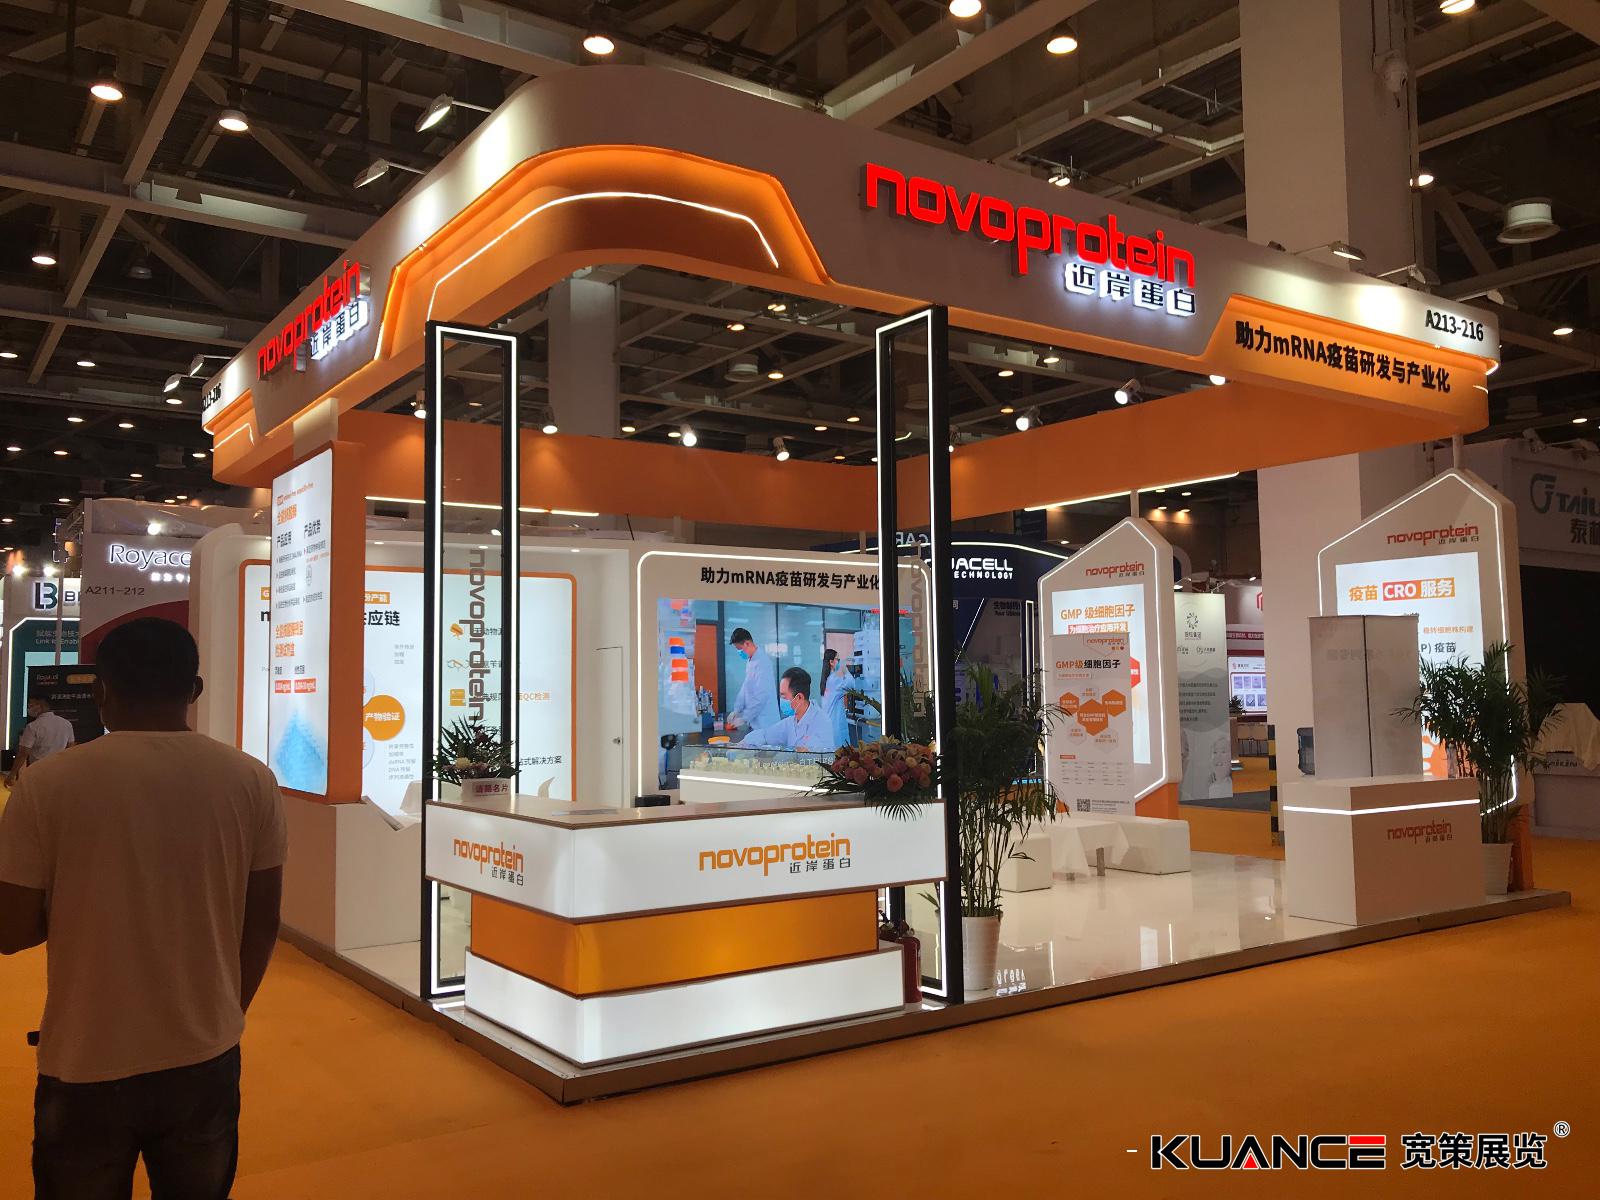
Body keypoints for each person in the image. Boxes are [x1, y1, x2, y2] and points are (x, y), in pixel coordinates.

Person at [0, 617, 287, 1200]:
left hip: (84, 1055)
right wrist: (226, 1011)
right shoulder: (252, 780)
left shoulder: (46, 786)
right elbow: (261, 921)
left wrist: (83, 898)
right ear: (194, 689)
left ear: (101, 689)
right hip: (206, 1051)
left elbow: (11, 931)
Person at [739, 666, 832, 752]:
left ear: (799, 697)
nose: (781, 700)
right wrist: (742, 744)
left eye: (783, 696)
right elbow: (766, 735)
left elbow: (813, 755)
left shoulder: (822, 722)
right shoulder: (792, 720)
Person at [6, 694, 75, 786]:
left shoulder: (33, 726)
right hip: (59, 770)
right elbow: (70, 748)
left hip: (38, 770)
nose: (29, 708)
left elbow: (23, 753)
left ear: (41, 706)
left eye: (31, 704)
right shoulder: (66, 724)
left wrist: (12, 775)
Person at [725, 627, 780, 732]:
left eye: (739, 649)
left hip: (766, 722)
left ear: (747, 643)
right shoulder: (751, 661)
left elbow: (761, 696)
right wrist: (736, 710)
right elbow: (746, 687)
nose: (739, 652)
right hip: (756, 721)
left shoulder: (763, 662)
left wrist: (744, 718)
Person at [819, 648, 851, 750]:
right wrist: (845, 669)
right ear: (831, 662)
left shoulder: (826, 679)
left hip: (828, 723)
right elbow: (851, 684)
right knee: (840, 754)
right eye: (838, 659)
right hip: (835, 725)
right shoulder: (834, 680)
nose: (839, 662)